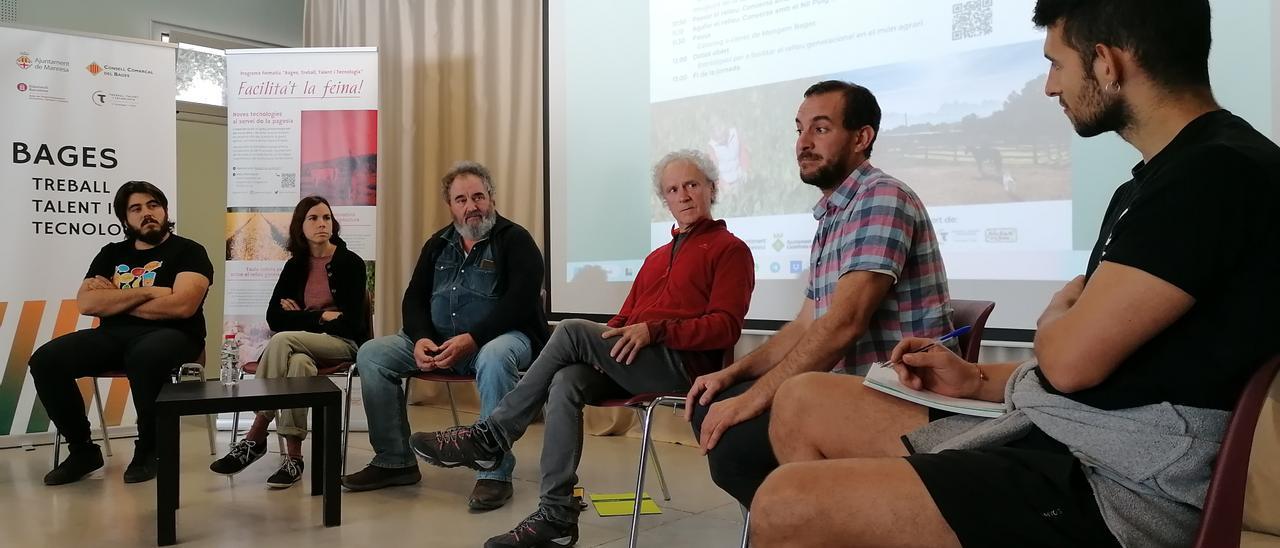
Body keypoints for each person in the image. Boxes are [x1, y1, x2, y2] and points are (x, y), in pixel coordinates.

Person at [749, 1, 1280, 546]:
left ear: (1105, 63)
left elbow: (1071, 362)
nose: (1050, 87)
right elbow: (1113, 362)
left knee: (787, 504)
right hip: (1062, 435)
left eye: (1056, 63)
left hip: (1115, 486)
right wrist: (978, 378)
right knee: (802, 401)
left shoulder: (1215, 175)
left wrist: (1057, 311)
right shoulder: (1150, 185)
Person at [410, 149, 755, 548]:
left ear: (711, 188)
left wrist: (655, 331)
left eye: (692, 185)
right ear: (665, 200)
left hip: (684, 368)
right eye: (673, 189)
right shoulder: (656, 258)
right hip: (636, 361)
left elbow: (726, 328)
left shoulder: (731, 249)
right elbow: (622, 322)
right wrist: (612, 340)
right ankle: (556, 513)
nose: (684, 195)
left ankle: (491, 435)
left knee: (572, 331)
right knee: (567, 378)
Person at [687, 80, 955, 507]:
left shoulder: (881, 198)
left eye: (821, 129)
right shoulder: (834, 215)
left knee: (733, 444)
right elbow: (806, 325)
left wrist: (756, 398)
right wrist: (735, 375)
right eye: (799, 130)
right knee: (712, 404)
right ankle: (815, 520)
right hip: (848, 389)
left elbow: (843, 323)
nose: (803, 143)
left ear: (861, 138)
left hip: (897, 398)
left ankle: (823, 520)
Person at [340, 161, 548, 512]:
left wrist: (475, 338)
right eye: (462, 199)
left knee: (496, 357)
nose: (472, 206)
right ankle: (395, 461)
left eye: (479, 196)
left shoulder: (515, 240)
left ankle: (494, 472)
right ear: (450, 206)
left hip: (502, 338)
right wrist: (420, 337)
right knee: (373, 354)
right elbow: (414, 298)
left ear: (492, 198)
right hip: (438, 341)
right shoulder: (438, 243)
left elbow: (521, 301)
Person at [30, 181, 213, 485]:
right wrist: (153, 291)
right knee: (45, 360)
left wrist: (116, 299)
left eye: (153, 205)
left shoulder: (189, 251)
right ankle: (83, 451)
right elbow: (87, 303)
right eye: (136, 208)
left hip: (177, 336)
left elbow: (182, 306)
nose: (147, 213)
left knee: (145, 355)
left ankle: (149, 448)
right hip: (114, 338)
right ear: (124, 219)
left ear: (165, 210)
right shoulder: (111, 253)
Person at [207, 196, 370, 488]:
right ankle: (294, 459)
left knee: (283, 341)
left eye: (327, 218)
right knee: (298, 364)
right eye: (314, 218)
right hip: (302, 348)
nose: (322, 224)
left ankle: (256, 433)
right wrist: (322, 317)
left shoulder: (351, 264)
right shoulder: (294, 266)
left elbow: (352, 322)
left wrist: (307, 317)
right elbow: (274, 317)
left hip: (342, 344)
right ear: (300, 226)